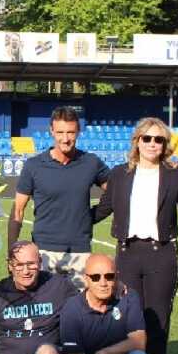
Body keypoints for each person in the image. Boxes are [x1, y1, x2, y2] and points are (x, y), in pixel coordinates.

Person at [92, 117, 178, 354]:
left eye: (159, 140)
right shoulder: (120, 175)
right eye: (147, 138)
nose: (152, 144)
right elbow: (102, 209)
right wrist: (64, 221)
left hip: (161, 256)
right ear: (137, 141)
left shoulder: (176, 176)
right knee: (129, 326)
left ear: (165, 145)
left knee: (157, 328)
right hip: (127, 255)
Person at [9, 106, 109, 290]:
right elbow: (18, 209)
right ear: (51, 131)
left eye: (71, 132)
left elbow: (114, 193)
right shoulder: (33, 165)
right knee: (46, 312)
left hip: (80, 252)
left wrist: (90, 217)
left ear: (78, 131)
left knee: (79, 311)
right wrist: (12, 250)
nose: (65, 138)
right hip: (44, 251)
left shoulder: (91, 162)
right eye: (60, 132)